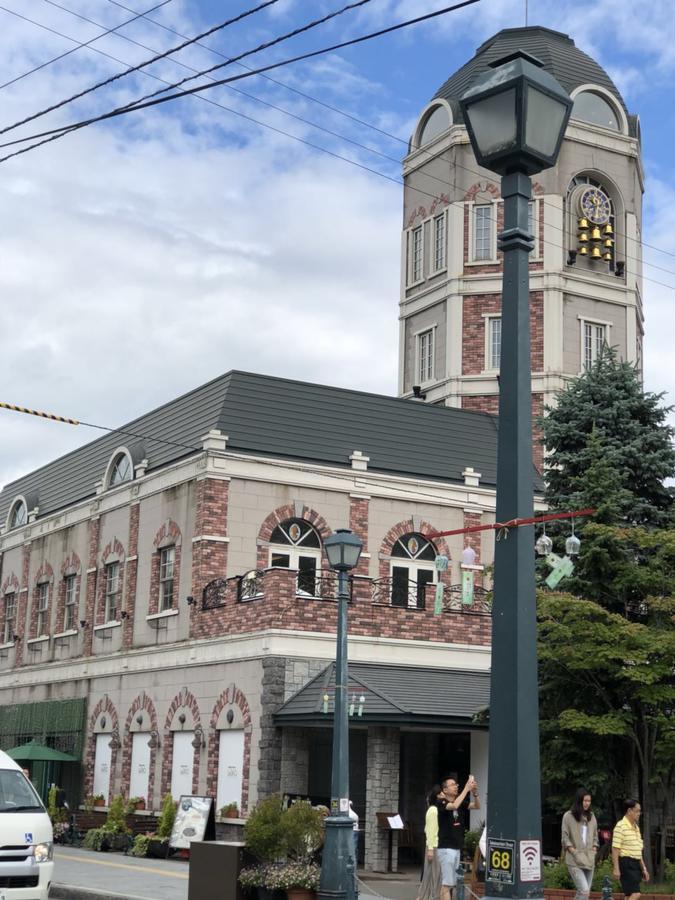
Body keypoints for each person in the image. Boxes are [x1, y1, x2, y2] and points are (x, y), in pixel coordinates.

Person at [425, 775, 480, 900]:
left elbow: (477, 806)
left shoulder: (460, 802)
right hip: (446, 848)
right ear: (445, 790)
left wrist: (475, 793)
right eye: (452, 785)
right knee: (447, 883)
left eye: (456, 784)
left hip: (456, 847)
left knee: (450, 884)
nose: (456, 786)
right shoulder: (441, 802)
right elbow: (453, 806)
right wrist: (466, 788)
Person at [561, 788, 599, 900]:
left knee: (585, 893)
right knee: (584, 891)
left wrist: (594, 849)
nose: (587, 803)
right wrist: (573, 851)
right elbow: (564, 836)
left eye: (589, 801)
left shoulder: (592, 816)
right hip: (574, 859)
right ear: (579, 800)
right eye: (585, 800)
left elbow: (595, 836)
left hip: (589, 859)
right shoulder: (568, 816)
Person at [612, 799, 649, 900]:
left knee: (628, 896)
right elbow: (615, 849)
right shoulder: (620, 826)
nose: (639, 813)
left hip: (635, 863)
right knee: (636, 893)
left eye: (639, 811)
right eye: (637, 811)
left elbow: (638, 850)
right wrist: (616, 868)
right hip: (626, 863)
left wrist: (644, 868)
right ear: (629, 811)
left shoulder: (636, 828)